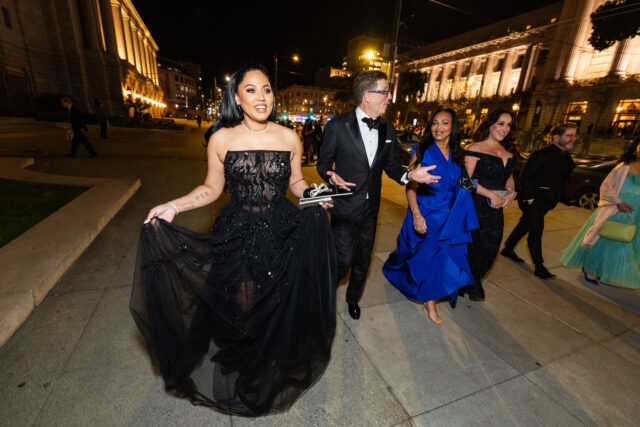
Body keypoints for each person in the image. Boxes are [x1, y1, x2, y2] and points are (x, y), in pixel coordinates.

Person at [130, 65, 337, 416]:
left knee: (277, 300)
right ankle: (249, 366)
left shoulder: (289, 137)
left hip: (281, 228)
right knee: (244, 303)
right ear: (237, 97)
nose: (262, 97)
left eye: (267, 89)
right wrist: (172, 206)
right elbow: (211, 189)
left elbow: (297, 182)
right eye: (252, 90)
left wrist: (314, 195)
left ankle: (270, 356)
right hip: (237, 230)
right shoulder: (222, 138)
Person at [316, 70, 440, 320]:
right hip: (344, 205)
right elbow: (323, 162)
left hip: (370, 211)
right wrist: (331, 175)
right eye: (384, 91)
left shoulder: (388, 129)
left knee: (363, 260)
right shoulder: (338, 126)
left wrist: (410, 176)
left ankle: (353, 298)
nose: (389, 97)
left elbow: (393, 167)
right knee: (343, 261)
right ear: (367, 95)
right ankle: (322, 291)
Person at [382, 108, 479, 325]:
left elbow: (464, 184)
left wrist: (488, 192)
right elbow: (410, 186)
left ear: (453, 127)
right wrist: (416, 215)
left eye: (444, 123)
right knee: (415, 255)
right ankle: (398, 271)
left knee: (440, 260)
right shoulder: (422, 151)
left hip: (449, 218)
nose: (438, 127)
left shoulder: (457, 154)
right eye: (435, 123)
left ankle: (430, 299)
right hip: (426, 213)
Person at [560, 138, 640, 288]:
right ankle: (590, 268)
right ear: (635, 149)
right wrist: (618, 203)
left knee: (622, 245)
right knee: (603, 241)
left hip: (635, 214)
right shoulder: (624, 167)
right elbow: (606, 186)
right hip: (616, 211)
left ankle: (605, 270)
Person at [501, 122, 577, 279]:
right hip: (532, 199)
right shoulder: (541, 155)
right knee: (536, 231)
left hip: (547, 201)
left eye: (575, 135)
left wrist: (566, 199)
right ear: (556, 137)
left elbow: (560, 181)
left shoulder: (567, 158)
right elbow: (525, 177)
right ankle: (539, 266)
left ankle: (508, 248)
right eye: (569, 135)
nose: (573, 139)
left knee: (525, 225)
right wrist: (529, 198)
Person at [461, 109, 518, 301]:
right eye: (501, 123)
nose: (505, 129)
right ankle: (468, 283)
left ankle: (473, 279)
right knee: (470, 246)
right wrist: (489, 194)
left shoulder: (508, 153)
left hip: (495, 209)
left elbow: (509, 178)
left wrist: (512, 192)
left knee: (491, 247)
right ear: (490, 124)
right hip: (474, 205)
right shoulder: (475, 148)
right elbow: (465, 181)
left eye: (509, 125)